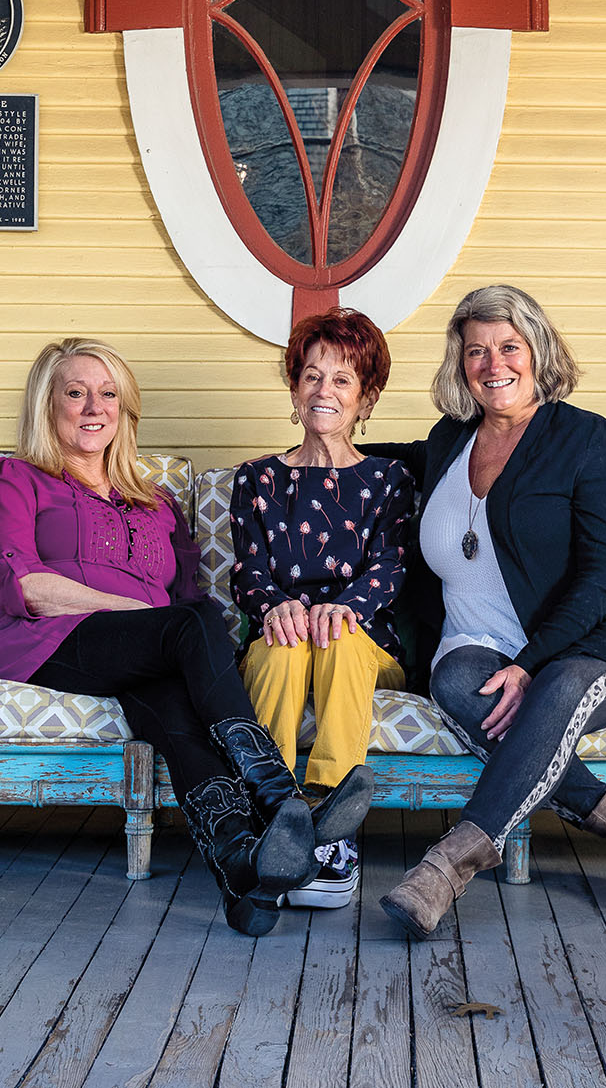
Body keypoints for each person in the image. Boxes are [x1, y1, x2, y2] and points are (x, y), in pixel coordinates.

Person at [0, 336, 373, 937]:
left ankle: (244, 878)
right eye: (75, 393)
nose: (93, 407)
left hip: (146, 651)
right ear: (46, 404)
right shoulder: (16, 478)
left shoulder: (155, 501)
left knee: (181, 718)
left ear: (124, 409)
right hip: (52, 644)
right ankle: (280, 794)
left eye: (108, 394)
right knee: (191, 623)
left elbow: (187, 597)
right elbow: (27, 585)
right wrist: (137, 609)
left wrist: (176, 633)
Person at [365, 286, 606, 940]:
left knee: (558, 685)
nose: (494, 365)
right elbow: (398, 461)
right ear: (461, 365)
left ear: (537, 350)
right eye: (477, 351)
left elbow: (603, 578)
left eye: (509, 347)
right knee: (457, 682)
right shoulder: (449, 440)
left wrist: (530, 661)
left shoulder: (586, 439)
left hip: (604, 639)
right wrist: (321, 450)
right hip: (479, 643)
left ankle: (447, 865)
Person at [231, 308, 414, 907]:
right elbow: (249, 570)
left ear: (366, 398)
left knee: (331, 639)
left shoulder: (389, 479)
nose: (324, 391)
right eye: (312, 375)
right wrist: (277, 608)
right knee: (284, 646)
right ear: (294, 386)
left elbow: (392, 565)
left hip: (364, 644)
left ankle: (331, 828)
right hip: (283, 636)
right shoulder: (256, 479)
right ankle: (273, 824)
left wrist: (346, 609)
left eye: (342, 379)